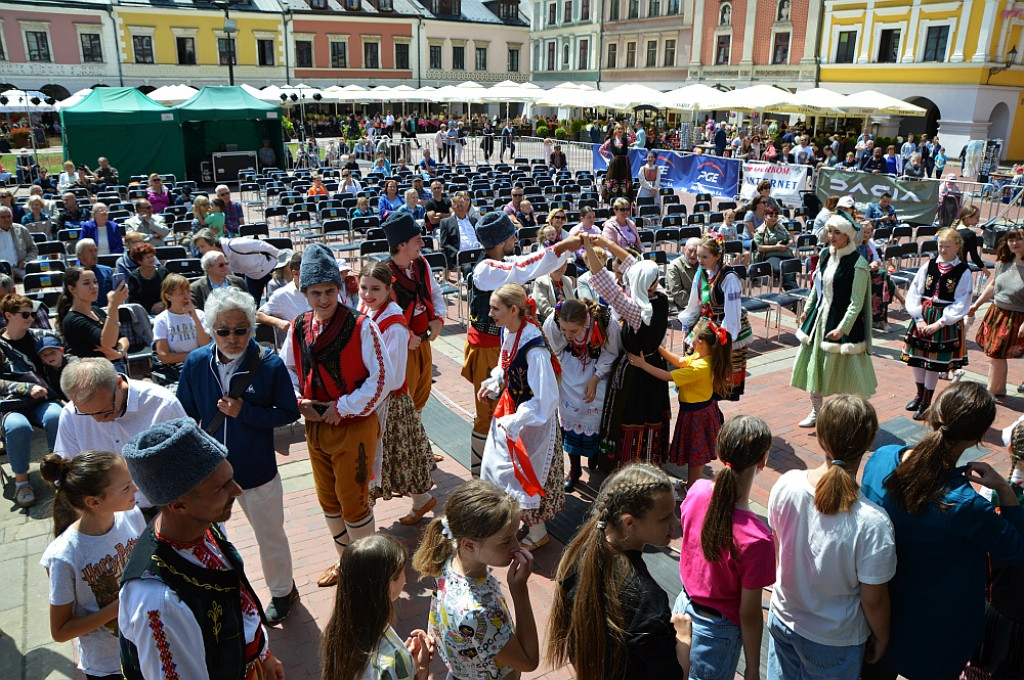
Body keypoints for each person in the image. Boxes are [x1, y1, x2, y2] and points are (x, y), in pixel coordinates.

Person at [860, 383, 1024, 680]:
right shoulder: (966, 506)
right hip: (936, 635)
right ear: (978, 436)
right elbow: (1019, 549)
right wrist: (1004, 490)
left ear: (934, 414)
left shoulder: (881, 459)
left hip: (876, 617)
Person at [117, 418, 286, 680]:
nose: (238, 490)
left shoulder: (200, 526)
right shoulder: (158, 601)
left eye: (231, 478)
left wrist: (263, 655)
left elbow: (238, 600)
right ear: (179, 505)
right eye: (222, 487)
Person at [175, 287, 301, 625]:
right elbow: (185, 415)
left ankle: (282, 592)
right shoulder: (196, 363)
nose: (232, 337)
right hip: (210, 477)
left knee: (270, 536)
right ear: (212, 329)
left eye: (240, 329)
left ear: (251, 327)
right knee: (212, 541)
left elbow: (288, 412)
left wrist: (245, 412)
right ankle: (222, 595)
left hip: (257, 471)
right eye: (223, 330)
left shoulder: (269, 364)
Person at [281, 243, 392, 587]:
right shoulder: (299, 326)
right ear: (305, 292)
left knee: (354, 500)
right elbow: (286, 368)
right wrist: (297, 400)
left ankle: (367, 570)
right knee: (328, 499)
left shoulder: (362, 326)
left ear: (341, 288)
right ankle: (347, 562)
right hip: (316, 426)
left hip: (353, 426)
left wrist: (341, 407)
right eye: (316, 292)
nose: (324, 299)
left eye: (330, 291)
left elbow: (383, 378)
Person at [768, 395, 896, 680]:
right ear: (870, 440)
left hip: (783, 617)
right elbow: (874, 600)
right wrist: (883, 637)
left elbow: (778, 553)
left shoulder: (785, 484)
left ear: (820, 437)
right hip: (833, 640)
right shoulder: (872, 522)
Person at [461, 212, 579, 478]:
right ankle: (479, 474)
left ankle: (503, 468)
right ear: (501, 239)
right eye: (511, 234)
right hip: (487, 348)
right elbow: (523, 267)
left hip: (506, 345)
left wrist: (565, 249)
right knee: (487, 414)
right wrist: (560, 247)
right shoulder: (485, 269)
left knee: (510, 407)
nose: (516, 238)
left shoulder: (501, 261)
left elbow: (532, 265)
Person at [547, 464, 692, 680]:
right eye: (664, 518)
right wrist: (683, 641)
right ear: (629, 522)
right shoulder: (648, 600)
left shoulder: (578, 556)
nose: (675, 522)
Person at [673, 414, 774, 680]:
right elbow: (750, 614)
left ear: (720, 453)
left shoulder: (697, 491)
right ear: (763, 459)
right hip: (716, 632)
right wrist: (753, 668)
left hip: (683, 608)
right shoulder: (758, 538)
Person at [413, 479, 540, 680]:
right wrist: (520, 592)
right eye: (506, 540)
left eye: (515, 535)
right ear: (470, 545)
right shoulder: (476, 613)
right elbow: (529, 661)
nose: (517, 545)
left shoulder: (450, 553)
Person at [39, 451, 145, 680]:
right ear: (94, 502)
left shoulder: (132, 516)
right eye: (126, 487)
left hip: (147, 649)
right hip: (108, 667)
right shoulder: (64, 557)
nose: (135, 490)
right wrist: (119, 606)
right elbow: (60, 631)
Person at [477, 283, 565, 550]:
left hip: (532, 421)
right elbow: (506, 363)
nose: (490, 313)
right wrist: (495, 382)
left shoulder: (535, 350)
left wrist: (518, 419)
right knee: (498, 467)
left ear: (514, 310)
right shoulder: (510, 331)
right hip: (511, 410)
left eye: (496, 308)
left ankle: (537, 531)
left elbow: (546, 399)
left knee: (524, 474)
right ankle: (508, 520)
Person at [357, 262, 437, 525]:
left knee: (377, 460)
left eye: (375, 289)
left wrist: (362, 401)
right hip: (376, 396)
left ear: (389, 288)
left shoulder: (395, 325)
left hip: (386, 401)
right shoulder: (368, 310)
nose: (368, 294)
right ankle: (422, 500)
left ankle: (361, 523)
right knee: (402, 459)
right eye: (364, 288)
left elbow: (391, 376)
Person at [583, 234, 671, 470]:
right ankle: (651, 461)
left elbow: (605, 282)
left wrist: (590, 248)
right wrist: (605, 244)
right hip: (655, 366)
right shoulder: (660, 298)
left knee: (630, 417)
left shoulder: (634, 310)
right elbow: (636, 266)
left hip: (635, 371)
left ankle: (627, 464)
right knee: (652, 416)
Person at [790, 214, 876, 427]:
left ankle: (850, 417)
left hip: (843, 326)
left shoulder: (858, 264)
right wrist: (807, 309)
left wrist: (842, 328)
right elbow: (816, 287)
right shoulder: (825, 255)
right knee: (815, 367)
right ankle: (816, 411)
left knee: (847, 374)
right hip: (819, 321)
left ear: (848, 235)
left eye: (837, 232)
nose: (832, 236)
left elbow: (856, 303)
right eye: (830, 231)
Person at [630, 319, 732, 490]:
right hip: (701, 412)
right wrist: (657, 347)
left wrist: (643, 365)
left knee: (696, 456)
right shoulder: (704, 356)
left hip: (696, 415)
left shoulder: (699, 368)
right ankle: (691, 484)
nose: (690, 338)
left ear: (701, 342)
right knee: (696, 453)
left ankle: (692, 488)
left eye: (693, 335)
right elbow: (678, 361)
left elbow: (668, 376)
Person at [322, 534, 434, 680]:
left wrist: (402, 657)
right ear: (389, 586)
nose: (405, 578)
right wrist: (422, 668)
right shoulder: (394, 662)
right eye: (402, 572)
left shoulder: (338, 631)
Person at [544, 298, 619, 491]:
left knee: (595, 414)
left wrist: (595, 378)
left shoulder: (605, 321)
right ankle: (575, 469)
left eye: (573, 331)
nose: (567, 335)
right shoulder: (553, 322)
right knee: (570, 416)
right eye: (564, 330)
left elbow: (611, 353)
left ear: (585, 322)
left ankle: (595, 457)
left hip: (597, 372)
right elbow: (553, 349)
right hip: (569, 370)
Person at [899, 228, 972, 419]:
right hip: (923, 315)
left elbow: (961, 302)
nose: (943, 250)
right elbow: (915, 291)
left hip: (943, 320)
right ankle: (918, 394)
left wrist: (940, 323)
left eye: (948, 246)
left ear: (957, 246)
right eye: (940, 245)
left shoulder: (963, 271)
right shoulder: (930, 265)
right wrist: (918, 318)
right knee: (916, 357)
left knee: (933, 361)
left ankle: (926, 401)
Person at [0, 293, 63, 508]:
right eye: (25, 314)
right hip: (10, 403)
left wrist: (58, 360)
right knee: (18, 427)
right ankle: (21, 482)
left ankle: (59, 472)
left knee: (57, 415)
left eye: (32, 314)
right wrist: (26, 388)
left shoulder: (38, 336)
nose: (30, 318)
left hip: (40, 401)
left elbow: (64, 348)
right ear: (8, 315)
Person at [381, 212, 446, 413]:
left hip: (423, 341)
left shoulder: (421, 263)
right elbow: (380, 317)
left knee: (421, 396)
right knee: (402, 401)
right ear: (402, 245)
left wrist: (438, 319)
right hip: (401, 348)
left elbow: (434, 291)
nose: (422, 244)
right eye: (417, 240)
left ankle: (414, 436)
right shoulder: (383, 274)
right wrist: (406, 336)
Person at [679, 234, 753, 400]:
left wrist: (723, 341)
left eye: (704, 257)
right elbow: (695, 302)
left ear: (718, 256)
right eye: (698, 256)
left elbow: (732, 314)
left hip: (726, 327)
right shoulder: (703, 273)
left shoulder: (729, 278)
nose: (700, 260)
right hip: (709, 322)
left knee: (717, 376)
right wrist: (688, 323)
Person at [969, 227, 1024, 396]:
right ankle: (1000, 389)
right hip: (997, 313)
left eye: (1019, 239)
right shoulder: (1003, 263)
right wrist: (976, 305)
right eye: (1011, 240)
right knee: (998, 355)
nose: (1014, 243)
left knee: (996, 355)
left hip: (1016, 317)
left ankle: (989, 394)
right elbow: (993, 285)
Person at [56, 266, 130, 365]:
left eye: (95, 282)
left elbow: (122, 337)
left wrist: (119, 353)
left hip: (115, 367)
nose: (94, 286)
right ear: (72, 289)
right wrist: (113, 306)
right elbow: (108, 342)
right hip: (94, 374)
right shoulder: (72, 319)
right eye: (86, 283)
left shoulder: (96, 311)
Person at [192, 229, 283, 305]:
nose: (201, 250)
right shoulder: (217, 258)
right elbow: (229, 276)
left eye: (202, 246)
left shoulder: (235, 245)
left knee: (275, 302)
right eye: (198, 247)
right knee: (251, 305)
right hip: (252, 275)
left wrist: (283, 261)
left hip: (270, 269)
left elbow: (263, 246)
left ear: (213, 244)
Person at [152, 273, 209, 380]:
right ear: (168, 297)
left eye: (188, 292)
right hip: (176, 368)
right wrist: (194, 355)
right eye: (181, 293)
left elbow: (205, 346)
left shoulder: (200, 315)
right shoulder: (161, 320)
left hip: (200, 364)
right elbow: (164, 356)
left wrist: (195, 318)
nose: (186, 296)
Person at [752, 206, 796, 289]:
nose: (773, 218)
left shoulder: (781, 227)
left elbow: (790, 239)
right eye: (771, 216)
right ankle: (793, 292)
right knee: (781, 270)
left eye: (775, 216)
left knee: (791, 272)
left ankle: (793, 292)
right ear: (765, 216)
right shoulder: (760, 231)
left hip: (786, 254)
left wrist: (787, 245)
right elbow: (760, 248)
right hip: (771, 256)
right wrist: (776, 247)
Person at [126, 242, 167, 315]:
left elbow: (172, 292)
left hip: (164, 310)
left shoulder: (163, 272)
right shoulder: (134, 277)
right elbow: (132, 300)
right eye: (147, 257)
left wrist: (163, 303)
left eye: (152, 256)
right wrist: (150, 307)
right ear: (139, 260)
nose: (151, 259)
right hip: (143, 313)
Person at [599, 123, 635, 203]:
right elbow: (601, 149)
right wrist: (609, 154)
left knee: (624, 181)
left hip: (624, 162)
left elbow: (634, 138)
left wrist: (629, 126)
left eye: (621, 129)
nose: (620, 130)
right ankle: (611, 198)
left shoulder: (626, 139)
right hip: (615, 163)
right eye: (618, 129)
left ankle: (625, 197)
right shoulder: (611, 140)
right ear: (615, 130)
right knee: (613, 180)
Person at [0, 205, 38, 280]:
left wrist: (27, 261)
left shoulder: (21, 230)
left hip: (20, 268)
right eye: (3, 217)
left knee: (34, 279)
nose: (7, 219)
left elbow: (33, 249)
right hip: (1, 271)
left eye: (9, 216)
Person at [665, 238, 700, 309]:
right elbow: (677, 293)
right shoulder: (675, 266)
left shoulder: (703, 264)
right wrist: (695, 308)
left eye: (696, 251)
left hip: (698, 304)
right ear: (684, 250)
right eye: (690, 251)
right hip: (677, 306)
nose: (693, 255)